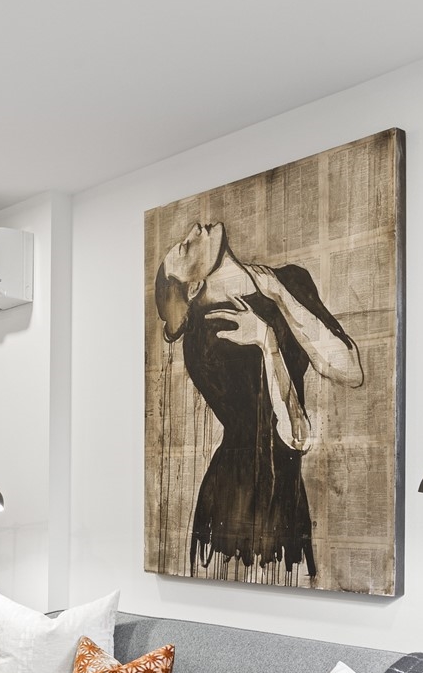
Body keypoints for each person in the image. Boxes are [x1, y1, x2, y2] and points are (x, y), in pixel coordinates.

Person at [153, 220, 362, 581]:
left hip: (284, 491)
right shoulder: (206, 338)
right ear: (195, 285)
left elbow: (350, 370)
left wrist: (279, 294)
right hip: (240, 502)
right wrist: (267, 342)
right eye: (185, 248)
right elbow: (294, 435)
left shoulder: (290, 280)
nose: (193, 230)